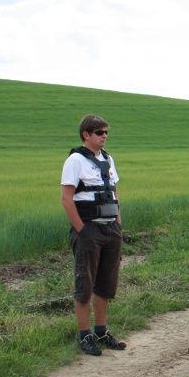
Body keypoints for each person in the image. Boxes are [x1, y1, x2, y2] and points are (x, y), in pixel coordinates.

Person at [60, 114, 127, 356]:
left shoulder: (109, 160)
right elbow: (67, 199)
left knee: (106, 284)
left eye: (106, 132)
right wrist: (82, 230)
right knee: (85, 283)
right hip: (88, 228)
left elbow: (114, 194)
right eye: (99, 133)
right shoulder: (75, 160)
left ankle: (101, 331)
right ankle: (84, 334)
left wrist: (118, 226)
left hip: (110, 229)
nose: (104, 137)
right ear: (86, 135)